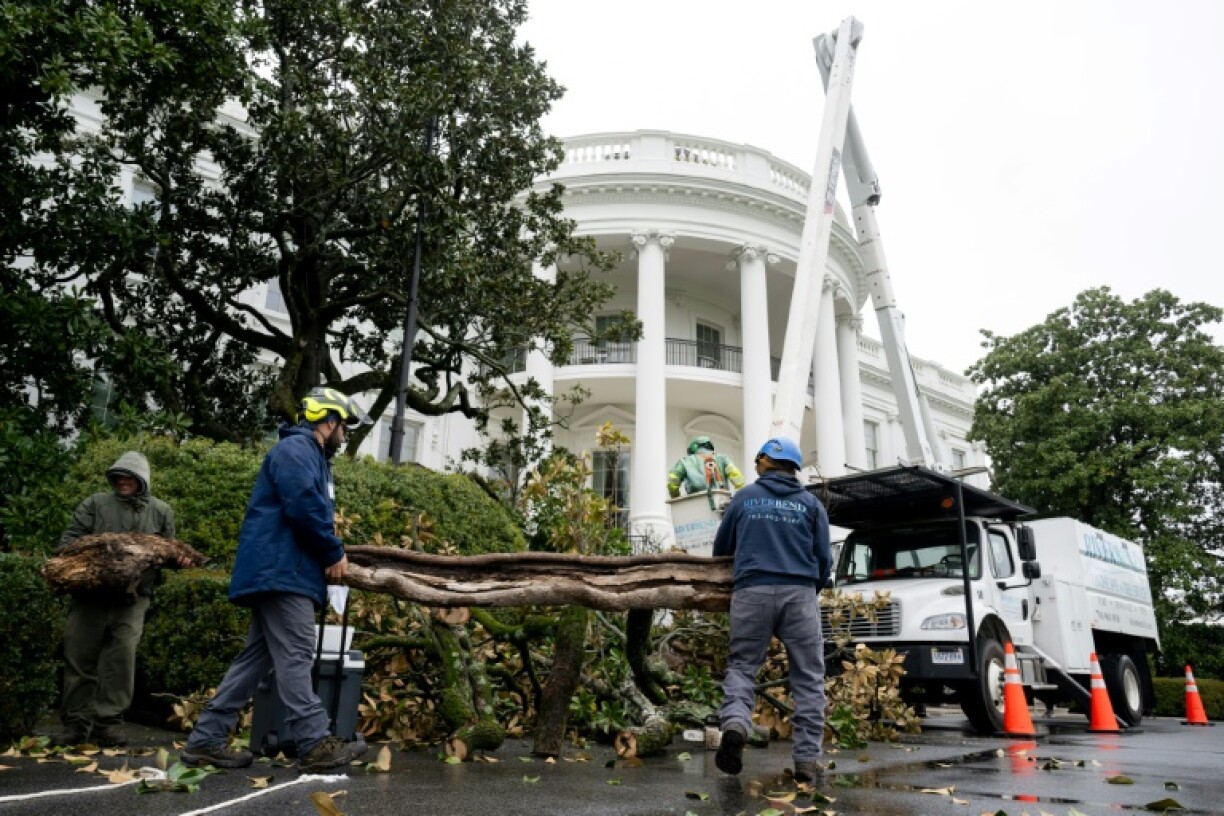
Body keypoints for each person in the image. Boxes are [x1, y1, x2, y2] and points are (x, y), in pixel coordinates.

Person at [182, 387, 372, 772]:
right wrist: (332, 550)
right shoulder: (297, 451)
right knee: (300, 648)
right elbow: (303, 503)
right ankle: (314, 741)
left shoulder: (310, 456)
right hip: (283, 573)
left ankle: (206, 740)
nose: (345, 436)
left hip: (283, 570)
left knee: (256, 659)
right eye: (344, 428)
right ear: (329, 422)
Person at [711, 437, 832, 783]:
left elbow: (721, 550)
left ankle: (735, 724)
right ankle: (806, 761)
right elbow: (824, 559)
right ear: (793, 467)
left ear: (765, 461)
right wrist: (810, 589)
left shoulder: (745, 497)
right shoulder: (811, 505)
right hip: (800, 596)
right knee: (808, 678)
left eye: (757, 459)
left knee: (743, 667)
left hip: (752, 592)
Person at [53, 451, 178, 748]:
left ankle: (106, 725)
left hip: (132, 601)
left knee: (121, 660)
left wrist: (173, 559)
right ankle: (75, 725)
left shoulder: (160, 511)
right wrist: (106, 555)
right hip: (90, 597)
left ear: (142, 480)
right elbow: (67, 544)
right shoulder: (95, 504)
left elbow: (170, 552)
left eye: (130, 477)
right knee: (79, 658)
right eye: (119, 476)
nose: (123, 481)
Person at [667, 436, 745, 498]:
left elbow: (672, 482)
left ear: (693, 447)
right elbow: (737, 477)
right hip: (722, 503)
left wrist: (676, 497)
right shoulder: (723, 459)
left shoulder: (685, 461)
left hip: (696, 504)